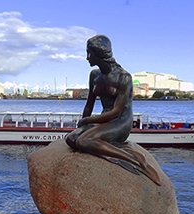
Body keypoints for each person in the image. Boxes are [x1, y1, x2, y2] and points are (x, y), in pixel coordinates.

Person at [65, 35, 161, 185]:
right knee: (71, 139)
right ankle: (111, 147)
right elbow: (89, 104)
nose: (87, 57)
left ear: (100, 54)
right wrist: (83, 124)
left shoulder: (124, 77)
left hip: (120, 122)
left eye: (90, 53)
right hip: (104, 120)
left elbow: (116, 111)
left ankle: (137, 161)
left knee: (84, 140)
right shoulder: (94, 75)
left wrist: (88, 120)